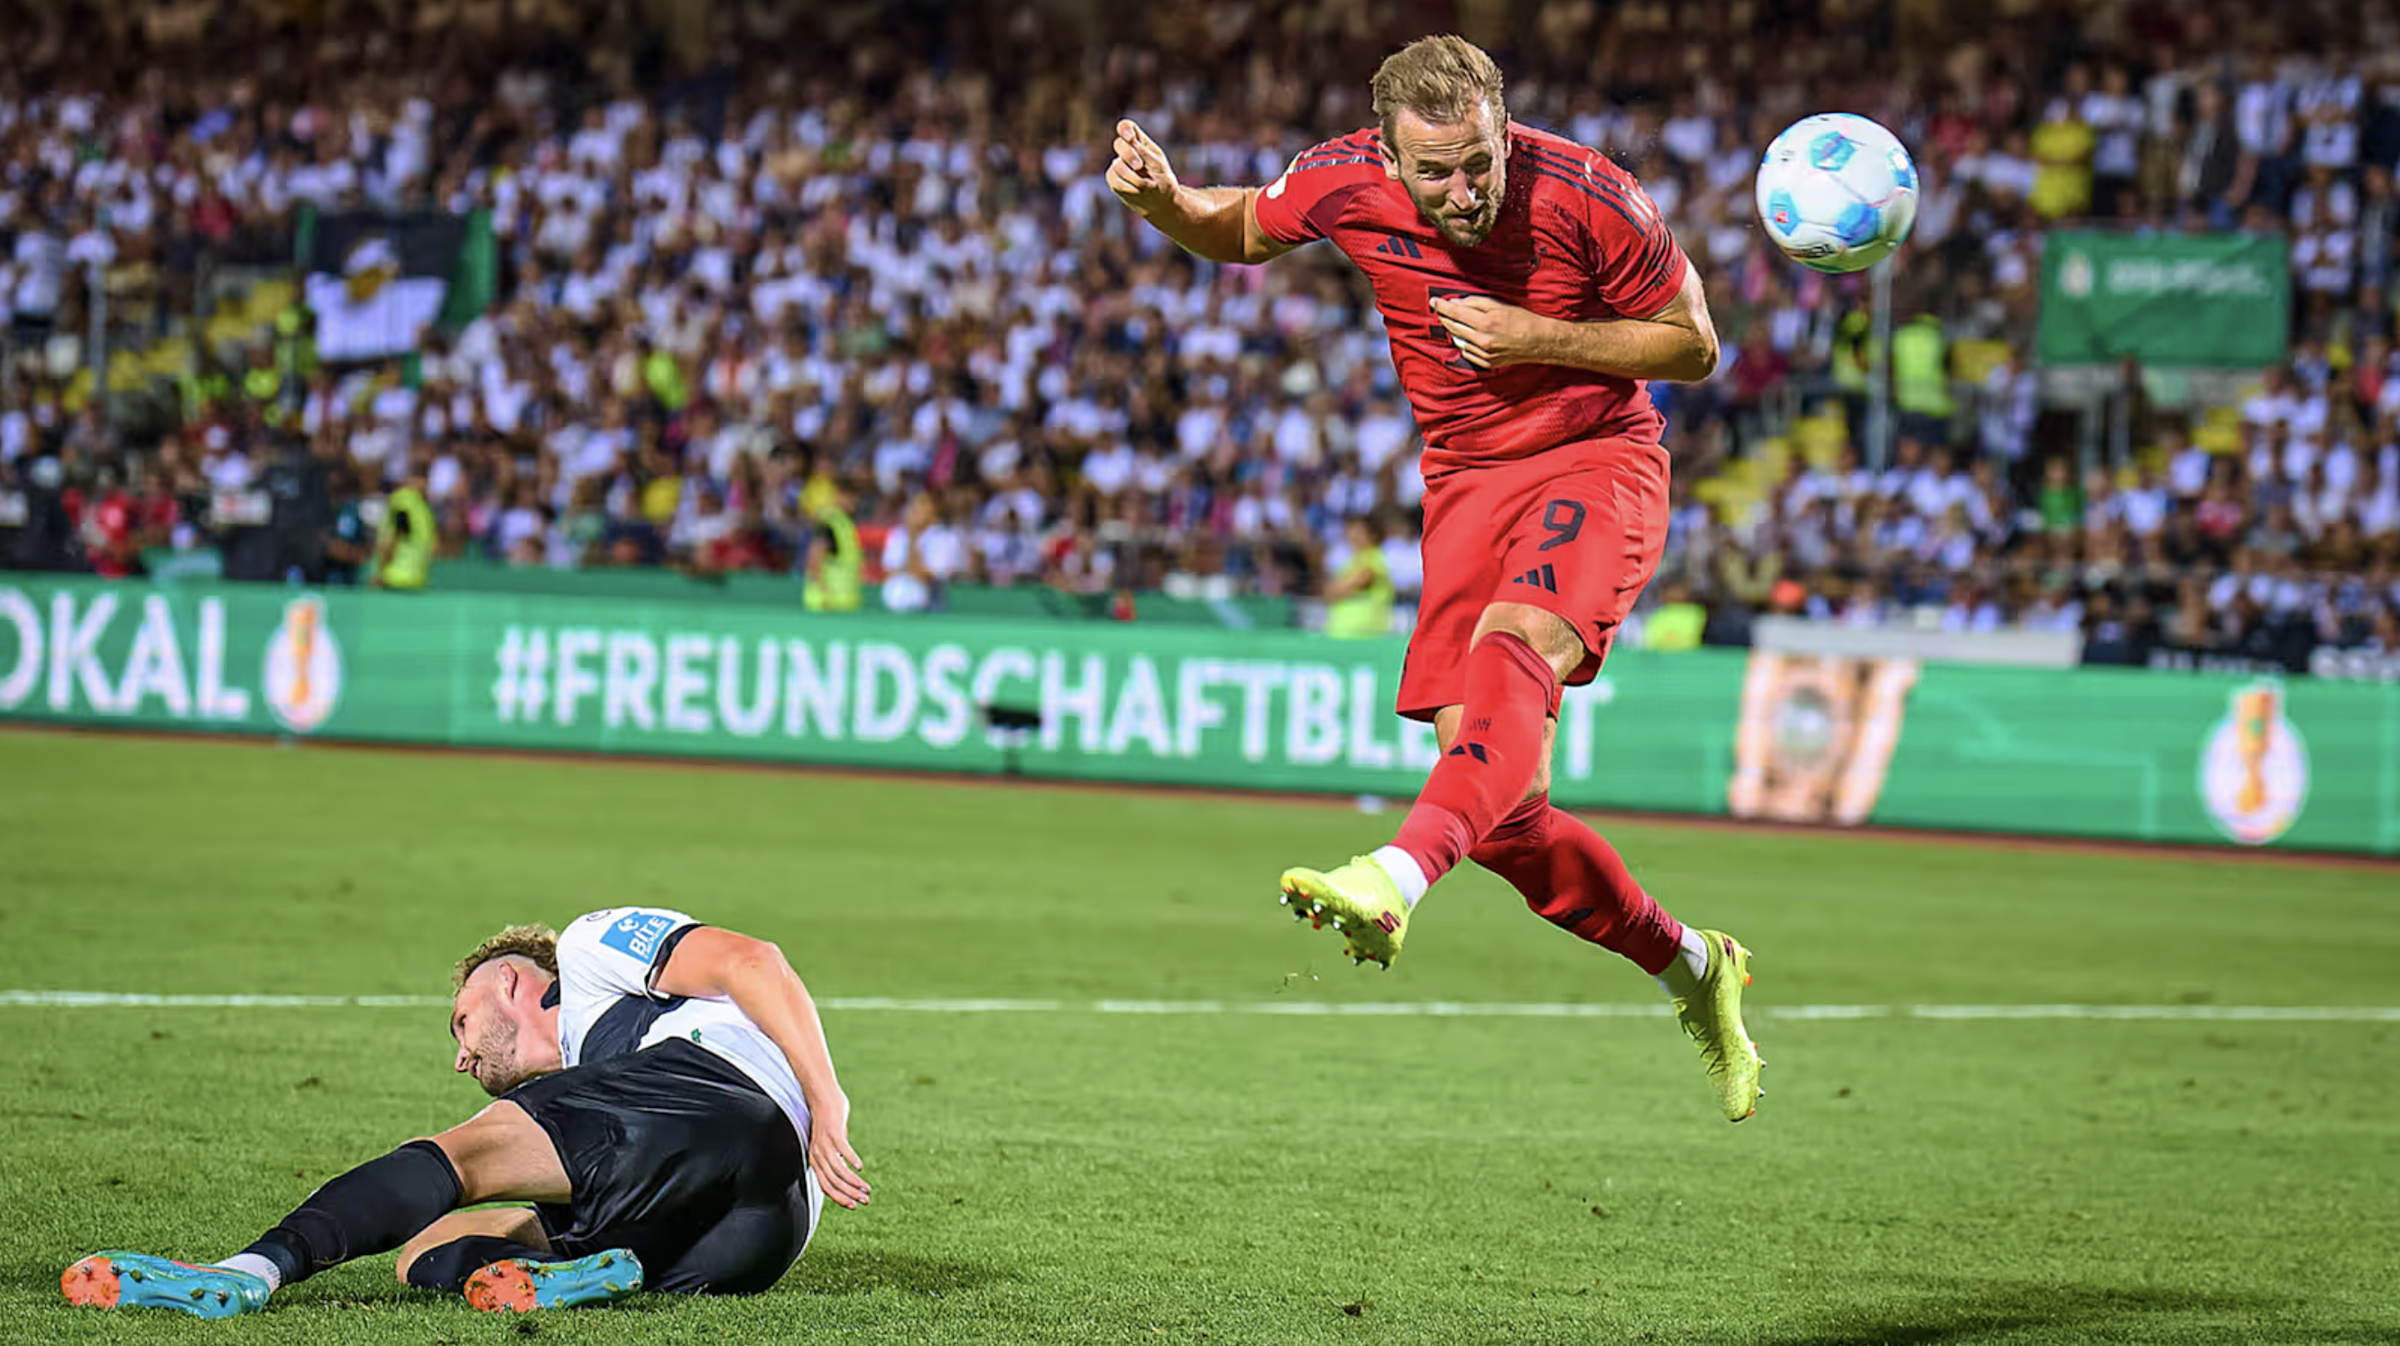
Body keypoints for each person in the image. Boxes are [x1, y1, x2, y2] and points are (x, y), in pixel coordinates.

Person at [1107, 34, 1762, 1121]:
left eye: (1482, 162)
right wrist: (1167, 201)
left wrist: (1536, 337)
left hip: (1595, 456)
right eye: (1437, 171)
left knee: (1517, 651)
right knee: (1501, 809)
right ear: (1388, 153)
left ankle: (1394, 877)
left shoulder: (1595, 197)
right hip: (1463, 481)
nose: (1464, 191)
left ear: (1506, 129)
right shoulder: (1341, 179)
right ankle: (1695, 964)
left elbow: (1693, 347)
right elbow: (1237, 229)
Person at [62, 907, 868, 1317]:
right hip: (761, 1238)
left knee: (462, 1159)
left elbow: (753, 961)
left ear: (508, 984)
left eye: (460, 1020)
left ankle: (250, 1270)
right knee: (426, 1251)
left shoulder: (589, 954)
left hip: (715, 1094)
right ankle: (584, 1276)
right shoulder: (591, 1083)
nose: (459, 1055)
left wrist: (827, 1098)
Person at [1323, 515, 1398, 638]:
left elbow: (1361, 580)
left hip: (1366, 633)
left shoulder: (1374, 556)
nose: (1353, 536)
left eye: (1359, 532)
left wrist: (1338, 589)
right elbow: (1328, 592)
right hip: (1342, 632)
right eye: (1351, 531)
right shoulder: (1351, 561)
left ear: (1373, 535)